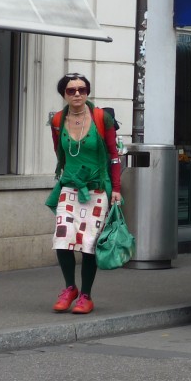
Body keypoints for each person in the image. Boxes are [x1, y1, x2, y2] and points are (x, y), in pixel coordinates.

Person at [44, 73, 123, 315]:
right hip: (69, 186)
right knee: (63, 238)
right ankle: (70, 288)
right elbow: (61, 155)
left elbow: (114, 155)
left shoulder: (102, 118)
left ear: (87, 92)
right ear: (63, 94)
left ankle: (86, 295)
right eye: (71, 90)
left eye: (82, 89)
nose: (77, 94)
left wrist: (116, 189)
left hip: (97, 188)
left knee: (89, 243)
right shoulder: (58, 120)